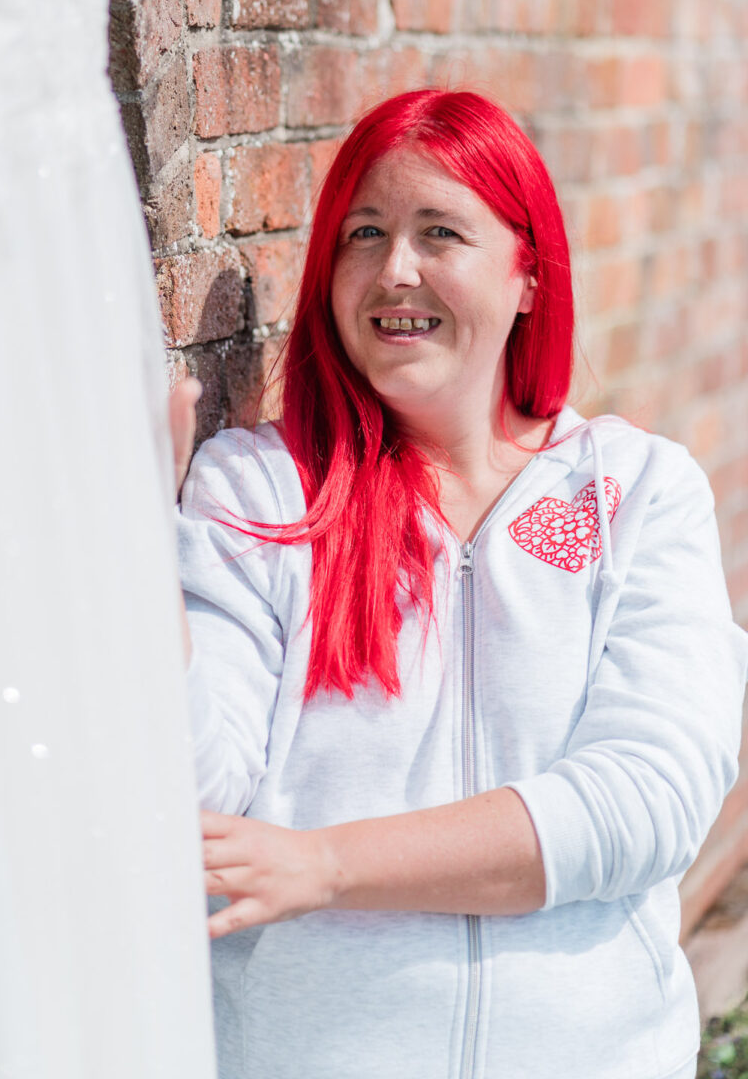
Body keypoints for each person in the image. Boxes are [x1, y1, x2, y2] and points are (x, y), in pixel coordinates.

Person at [168, 88, 748, 1079]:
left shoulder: (638, 493)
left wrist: (323, 864)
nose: (395, 270)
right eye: (364, 232)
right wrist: (137, 552)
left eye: (440, 232)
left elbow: (645, 801)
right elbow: (197, 788)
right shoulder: (257, 491)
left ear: (527, 274)